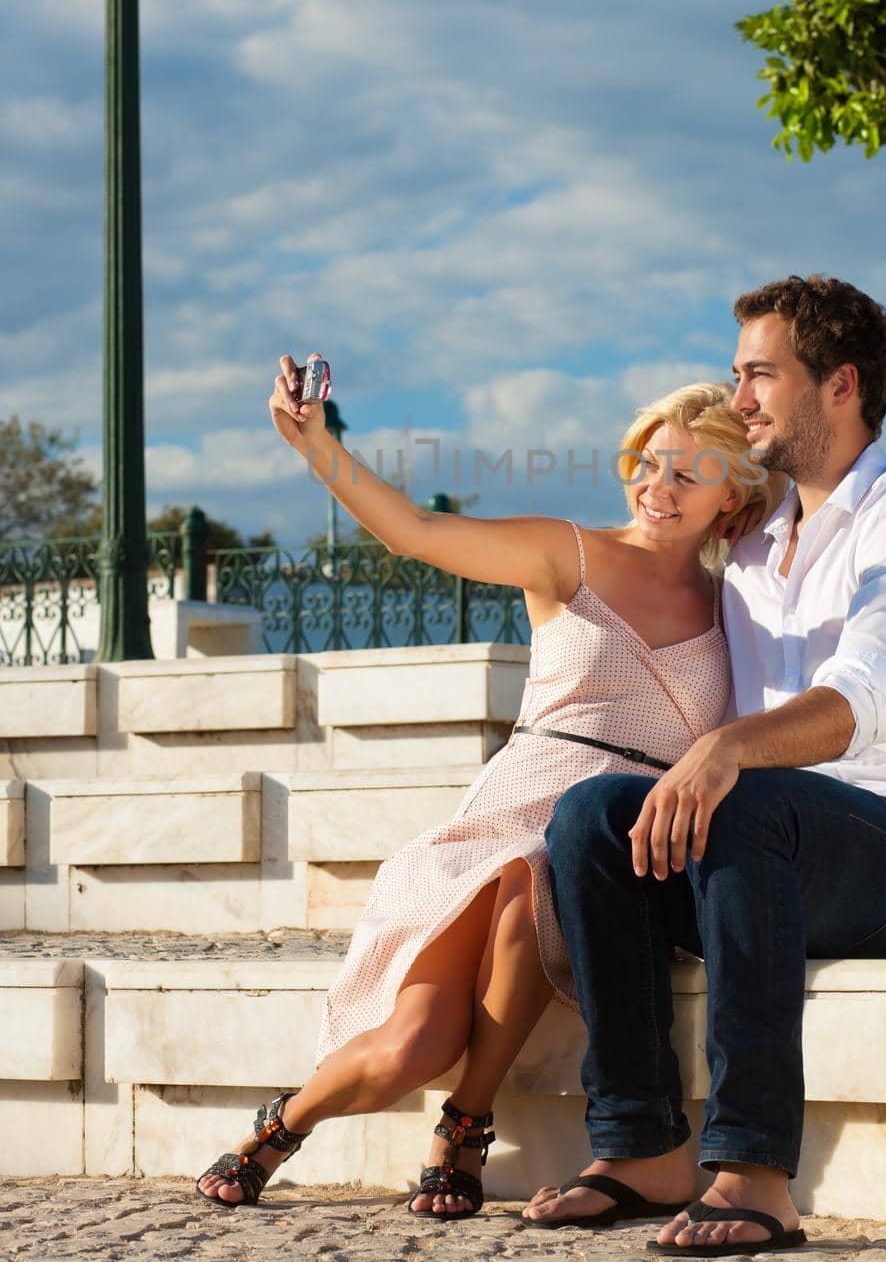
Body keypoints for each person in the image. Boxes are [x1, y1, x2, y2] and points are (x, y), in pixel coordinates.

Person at [196, 363, 782, 1216]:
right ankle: (284, 1123)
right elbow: (416, 533)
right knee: (408, 1045)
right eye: (649, 463)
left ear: (731, 500)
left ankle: (466, 1119)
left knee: (539, 869)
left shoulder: (737, 604)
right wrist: (321, 448)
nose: (659, 487)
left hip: (611, 845)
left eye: (689, 475)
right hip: (512, 805)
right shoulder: (567, 552)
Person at [522, 274, 886, 1257]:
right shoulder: (751, 546)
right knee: (588, 821)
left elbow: (856, 703)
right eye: (735, 372)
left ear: (837, 385)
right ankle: (640, 1148)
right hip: (775, 851)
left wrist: (725, 751)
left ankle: (753, 1170)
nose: (736, 395)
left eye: (758, 374)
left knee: (747, 802)